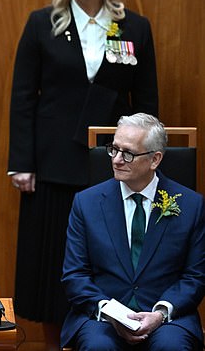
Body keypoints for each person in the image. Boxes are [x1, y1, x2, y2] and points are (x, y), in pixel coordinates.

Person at [7, 0, 159, 348]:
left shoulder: (133, 27)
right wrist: (22, 162)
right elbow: (23, 97)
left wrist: (147, 164)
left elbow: (146, 101)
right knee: (53, 263)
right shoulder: (43, 23)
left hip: (113, 165)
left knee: (107, 257)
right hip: (52, 164)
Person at [61, 113, 205, 350]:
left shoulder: (190, 205)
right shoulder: (86, 203)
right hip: (102, 315)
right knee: (99, 347)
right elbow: (74, 274)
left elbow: (195, 276)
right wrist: (111, 312)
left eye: (127, 153)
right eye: (113, 149)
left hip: (168, 318)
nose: (116, 160)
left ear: (155, 159)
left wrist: (160, 313)